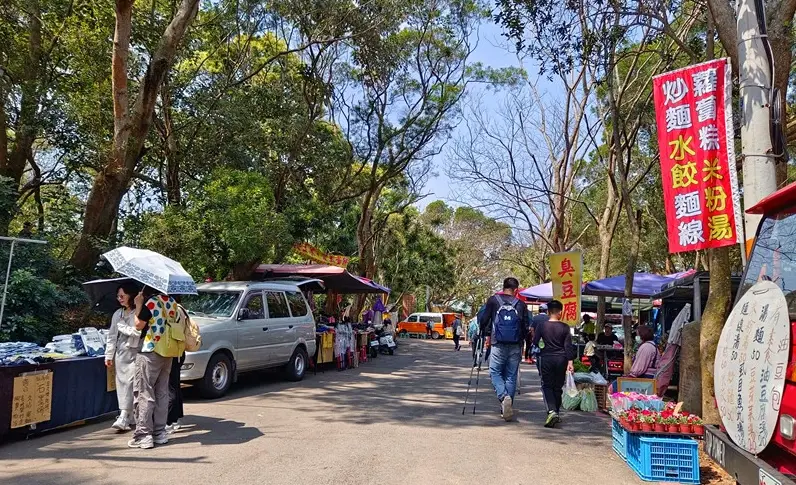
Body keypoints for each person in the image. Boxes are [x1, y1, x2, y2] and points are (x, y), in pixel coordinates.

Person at [128, 287, 184, 449]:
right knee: (162, 391)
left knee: (144, 391)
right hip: (168, 351)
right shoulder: (172, 302)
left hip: (150, 350)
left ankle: (144, 435)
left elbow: (139, 325)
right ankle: (160, 432)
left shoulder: (151, 302)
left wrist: (138, 304)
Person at [479, 277, 530, 422]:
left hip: (498, 343)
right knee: (511, 375)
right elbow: (525, 325)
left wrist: (484, 332)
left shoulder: (493, 300)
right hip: (515, 344)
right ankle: (507, 405)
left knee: (494, 371)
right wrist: (525, 343)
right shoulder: (520, 304)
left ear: (503, 287)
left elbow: (484, 319)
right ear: (516, 290)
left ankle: (503, 396)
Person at [532, 300, 575, 428]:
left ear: (548, 312)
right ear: (560, 312)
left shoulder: (542, 326)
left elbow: (535, 342)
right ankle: (555, 412)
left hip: (546, 358)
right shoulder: (565, 327)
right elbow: (568, 346)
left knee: (547, 385)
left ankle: (552, 411)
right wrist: (570, 362)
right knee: (557, 386)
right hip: (561, 359)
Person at [104, 282, 141, 432]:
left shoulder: (138, 312)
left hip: (136, 352)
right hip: (120, 354)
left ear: (131, 295)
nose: (120, 298)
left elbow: (138, 333)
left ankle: (124, 415)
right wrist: (109, 355)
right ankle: (127, 414)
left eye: (122, 296)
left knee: (131, 383)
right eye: (118, 296)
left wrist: (124, 328)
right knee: (121, 384)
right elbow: (111, 336)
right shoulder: (117, 314)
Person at [529, 304, 549, 376]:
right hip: (547, 340)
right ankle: (545, 370)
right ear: (546, 311)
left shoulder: (535, 318)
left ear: (539, 310)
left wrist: (534, 338)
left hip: (537, 340)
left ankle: (540, 370)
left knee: (538, 356)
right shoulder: (549, 318)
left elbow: (532, 329)